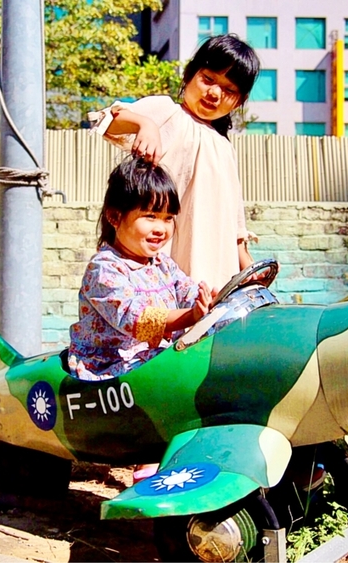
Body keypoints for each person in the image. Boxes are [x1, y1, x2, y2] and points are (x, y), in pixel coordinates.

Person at [88, 34, 260, 290]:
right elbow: (108, 120)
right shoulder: (167, 113)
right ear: (189, 74)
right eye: (208, 79)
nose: (214, 93)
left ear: (240, 100)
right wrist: (145, 124)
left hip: (214, 264)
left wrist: (247, 265)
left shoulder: (224, 146)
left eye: (229, 90)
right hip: (165, 261)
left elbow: (233, 216)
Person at [68, 156, 215, 381]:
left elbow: (189, 293)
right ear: (115, 217)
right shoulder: (105, 270)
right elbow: (136, 319)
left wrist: (212, 300)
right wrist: (190, 316)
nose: (161, 228)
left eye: (168, 218)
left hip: (154, 360)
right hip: (113, 368)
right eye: (150, 216)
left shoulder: (163, 264)